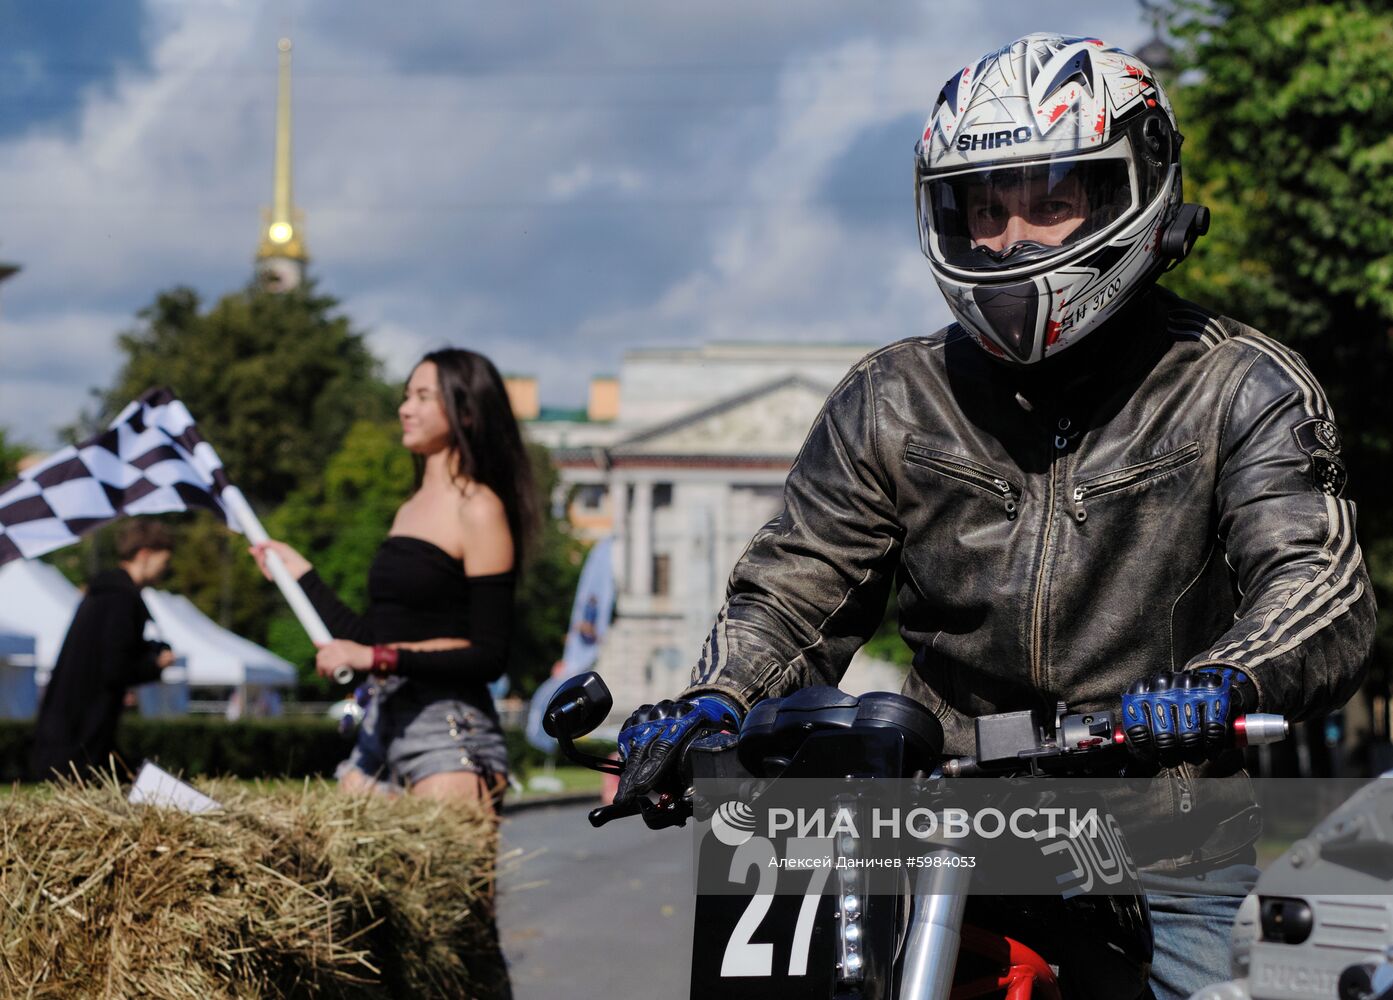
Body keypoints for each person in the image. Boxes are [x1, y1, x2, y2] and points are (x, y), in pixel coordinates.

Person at [611, 33, 1375, 1000]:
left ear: (1128, 192)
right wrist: (713, 700)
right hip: (930, 822)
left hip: (1156, 842)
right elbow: (794, 587)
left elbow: (1316, 579)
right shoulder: (891, 397)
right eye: (984, 207)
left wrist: (1221, 682)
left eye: (1049, 202)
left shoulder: (1237, 385)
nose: (1009, 237)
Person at [252, 348, 536, 811]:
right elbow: (376, 639)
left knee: (450, 886)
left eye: (424, 397)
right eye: (407, 395)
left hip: (447, 736)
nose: (405, 408)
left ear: (465, 410)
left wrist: (374, 656)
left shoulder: (479, 509)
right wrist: (300, 575)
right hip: (381, 729)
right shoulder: (408, 509)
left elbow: (489, 655)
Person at [29, 520, 176, 780]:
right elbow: (115, 668)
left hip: (68, 731)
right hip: (84, 736)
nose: (165, 569)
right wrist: (155, 664)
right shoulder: (122, 599)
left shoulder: (102, 594)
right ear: (144, 554)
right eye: (163, 562)